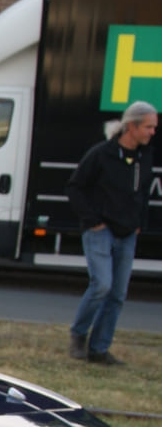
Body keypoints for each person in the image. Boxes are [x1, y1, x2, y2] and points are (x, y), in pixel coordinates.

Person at [65, 100, 158, 366]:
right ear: (132, 126)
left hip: (127, 233)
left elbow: (142, 192)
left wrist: (139, 221)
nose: (153, 132)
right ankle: (79, 334)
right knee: (101, 285)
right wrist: (93, 220)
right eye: (149, 127)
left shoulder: (144, 157)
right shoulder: (101, 154)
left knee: (117, 293)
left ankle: (99, 349)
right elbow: (75, 188)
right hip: (100, 231)